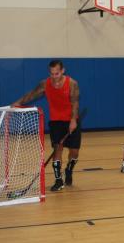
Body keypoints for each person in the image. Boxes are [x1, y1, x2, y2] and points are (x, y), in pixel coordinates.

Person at [13, 59, 81, 192]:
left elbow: (75, 103)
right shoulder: (45, 84)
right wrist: (18, 102)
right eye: (52, 74)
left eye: (57, 73)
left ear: (62, 71)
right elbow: (31, 94)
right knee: (57, 149)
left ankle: (69, 170)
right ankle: (58, 180)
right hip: (55, 121)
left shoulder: (72, 83)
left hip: (71, 120)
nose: (54, 77)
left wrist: (73, 120)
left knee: (74, 152)